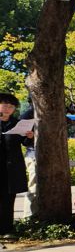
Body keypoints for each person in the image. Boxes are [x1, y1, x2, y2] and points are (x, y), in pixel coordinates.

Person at [0, 94, 33, 237]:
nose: (8, 109)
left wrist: (29, 136)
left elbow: (24, 143)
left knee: (8, 198)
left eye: (11, 106)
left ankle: (7, 229)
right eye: (5, 105)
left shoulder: (17, 123)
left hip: (11, 167)